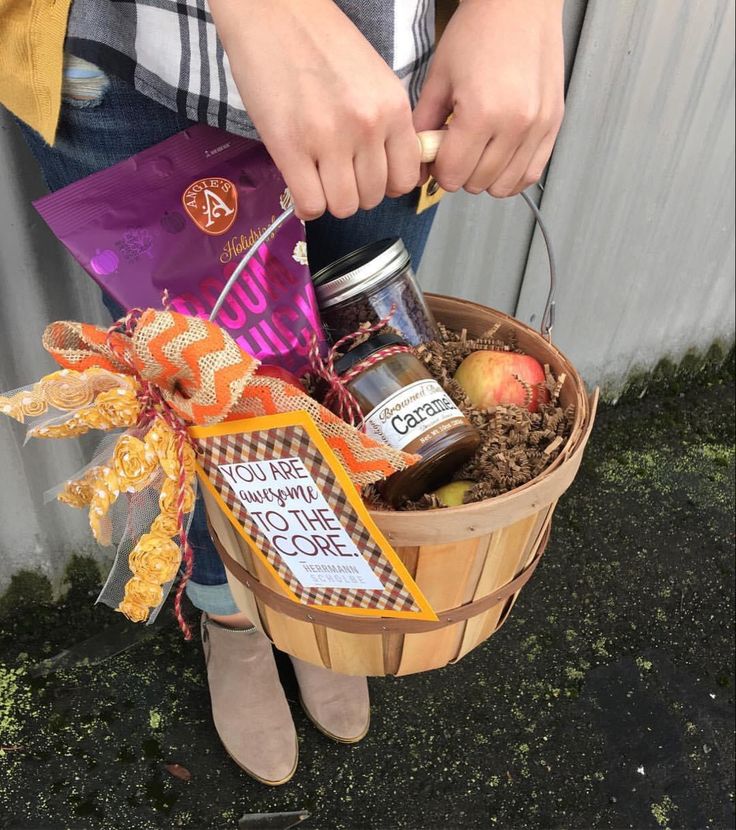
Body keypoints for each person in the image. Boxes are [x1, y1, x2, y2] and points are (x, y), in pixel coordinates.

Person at [0, 0, 565, 786]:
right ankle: (228, 610)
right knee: (196, 397)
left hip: (378, 71)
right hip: (122, 54)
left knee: (359, 373)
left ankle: (321, 603)